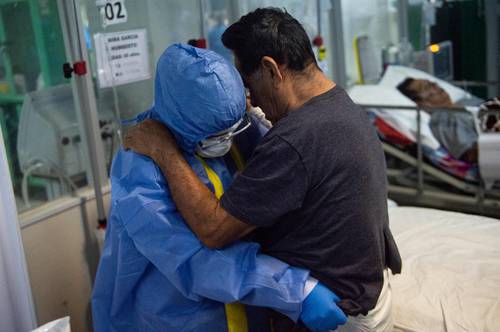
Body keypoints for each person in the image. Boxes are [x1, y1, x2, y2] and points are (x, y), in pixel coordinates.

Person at [124, 8, 402, 332]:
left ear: (271, 69)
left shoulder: (295, 140)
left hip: (335, 314)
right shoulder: (341, 106)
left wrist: (164, 151)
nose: (250, 100)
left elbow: (213, 231)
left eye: (248, 84)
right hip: (368, 292)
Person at [92, 43, 348, 332]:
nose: (226, 140)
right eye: (215, 134)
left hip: (250, 311)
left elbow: (280, 174)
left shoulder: (240, 130)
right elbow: (189, 258)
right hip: (175, 319)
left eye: (232, 128)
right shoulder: (140, 167)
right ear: (183, 119)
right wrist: (294, 289)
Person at [396, 77, 479, 163]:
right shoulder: (442, 119)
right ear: (422, 103)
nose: (435, 85)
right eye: (427, 87)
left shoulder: (465, 101)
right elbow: (472, 155)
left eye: (431, 82)